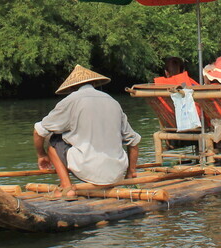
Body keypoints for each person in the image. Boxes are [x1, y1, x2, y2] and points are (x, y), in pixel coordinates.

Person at [33, 64, 141, 198]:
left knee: (53, 140)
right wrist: (131, 172)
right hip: (117, 173)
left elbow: (38, 131)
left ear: (72, 87)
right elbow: (133, 141)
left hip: (87, 169)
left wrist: (41, 155)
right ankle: (110, 177)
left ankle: (66, 187)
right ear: (94, 83)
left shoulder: (71, 100)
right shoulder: (113, 101)